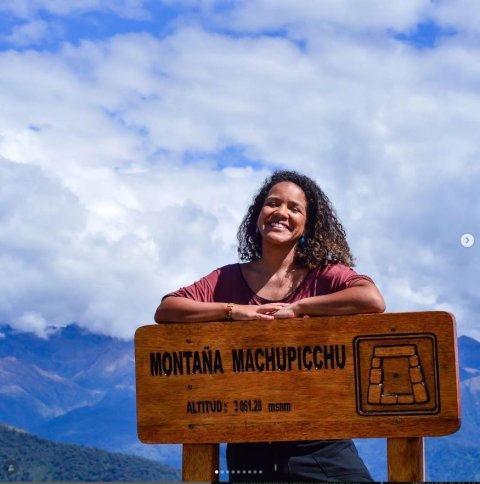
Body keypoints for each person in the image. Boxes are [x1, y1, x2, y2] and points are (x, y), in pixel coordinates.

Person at [155, 170, 385, 482]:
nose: (281, 212)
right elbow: (168, 308)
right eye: (272, 203)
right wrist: (234, 311)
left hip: (321, 443)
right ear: (258, 215)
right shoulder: (227, 278)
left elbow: (370, 299)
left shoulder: (325, 275)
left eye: (294, 208)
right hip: (249, 440)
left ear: (307, 224)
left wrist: (299, 307)